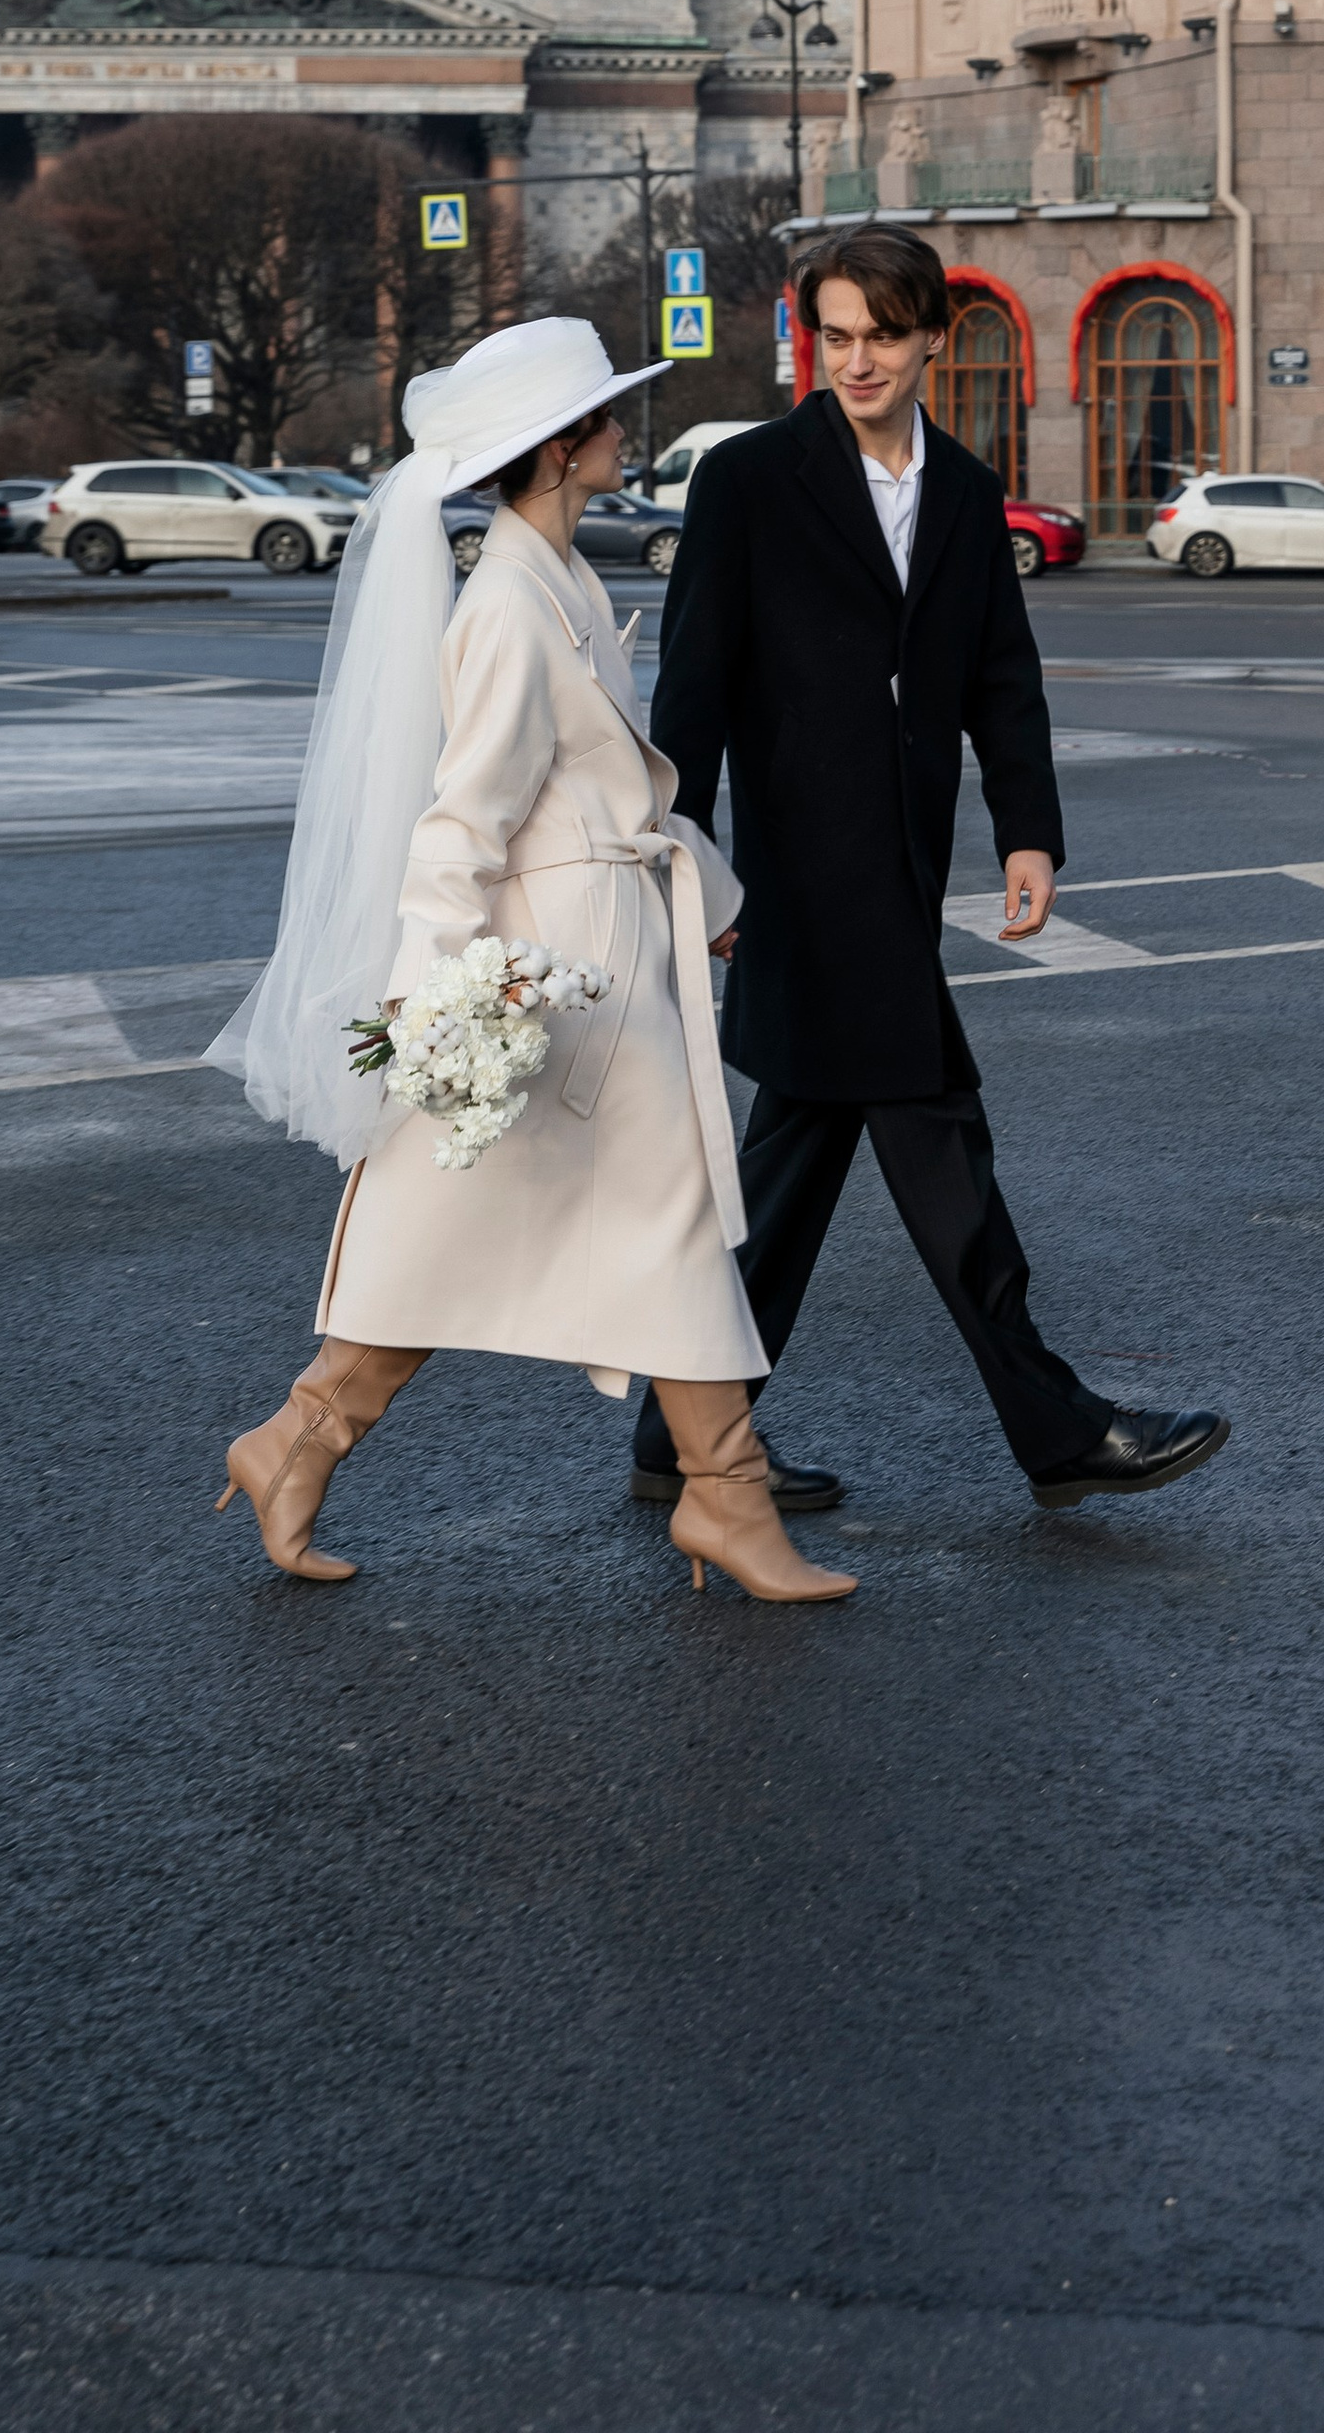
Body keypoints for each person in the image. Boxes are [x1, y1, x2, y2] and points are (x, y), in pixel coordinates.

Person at [207, 318, 854, 1607]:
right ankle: (720, 1495)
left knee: (540, 1222)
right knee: (600, 1219)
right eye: (605, 417)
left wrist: (710, 900)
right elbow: (463, 822)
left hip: (603, 957)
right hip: (558, 974)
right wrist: (431, 1002)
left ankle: (305, 1438)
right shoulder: (508, 602)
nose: (622, 431)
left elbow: (615, 797)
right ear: (561, 450)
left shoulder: (555, 577)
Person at [629, 224, 1229, 1514]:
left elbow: (1000, 676)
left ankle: (681, 1436)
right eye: (835, 336)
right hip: (800, 881)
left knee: (795, 1162)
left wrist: (1028, 831)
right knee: (937, 1132)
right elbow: (693, 690)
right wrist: (688, 860)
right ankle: (1058, 1431)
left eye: (882, 337)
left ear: (932, 342)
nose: (856, 361)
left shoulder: (962, 486)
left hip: (901, 862)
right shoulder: (747, 478)